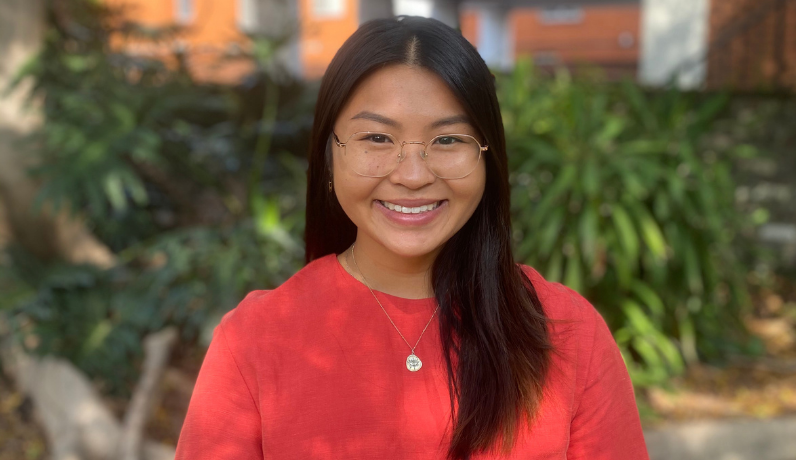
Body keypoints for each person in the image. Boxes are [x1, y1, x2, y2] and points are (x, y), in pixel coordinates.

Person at [175, 16, 649, 460]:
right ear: (328, 157)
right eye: (377, 139)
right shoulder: (254, 341)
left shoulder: (567, 333)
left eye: (448, 140)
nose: (413, 175)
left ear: (488, 158)